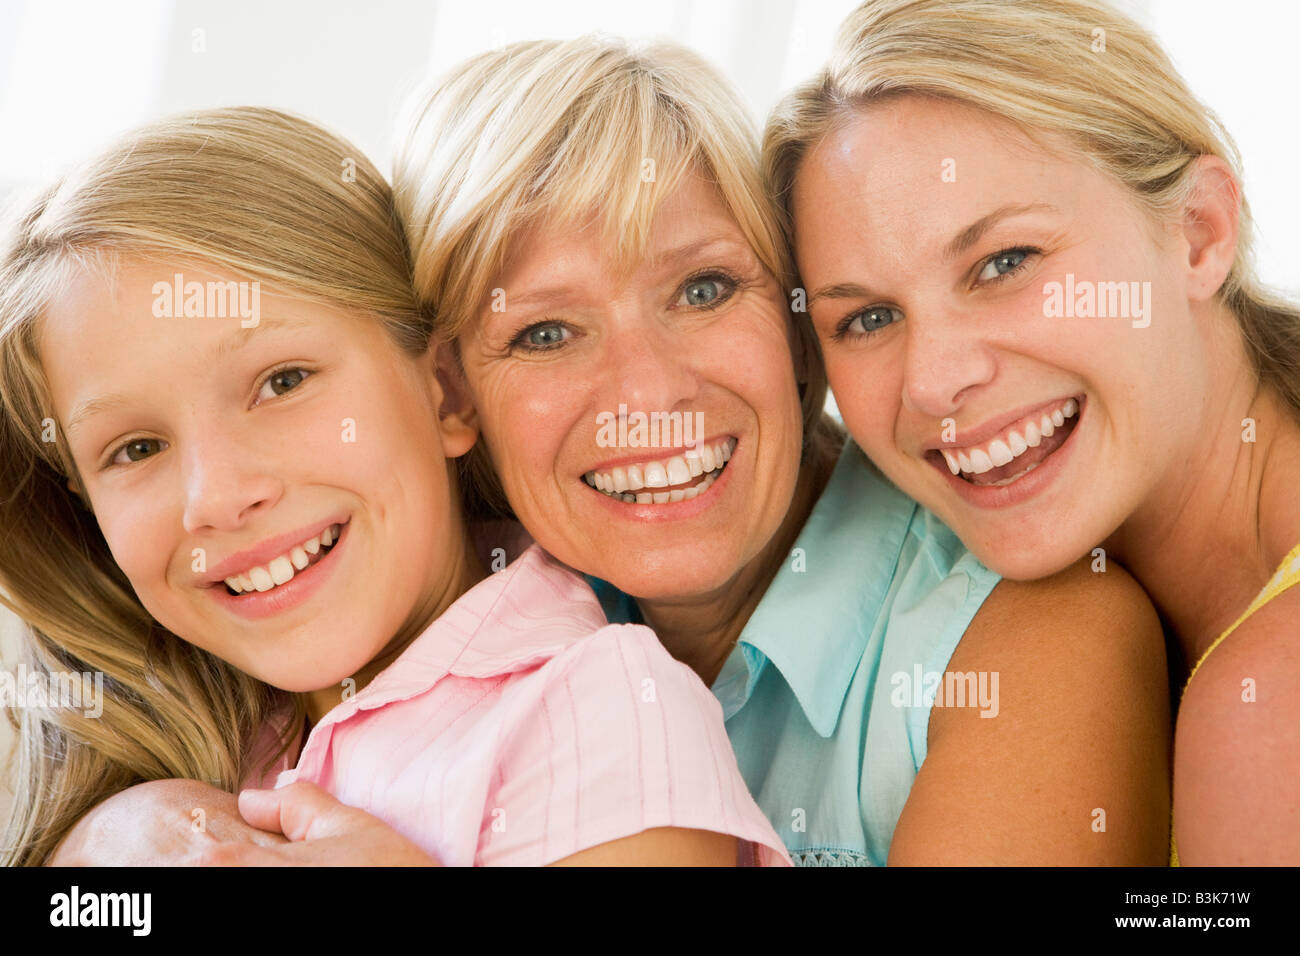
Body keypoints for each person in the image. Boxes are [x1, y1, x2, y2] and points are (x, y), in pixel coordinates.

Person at [47, 37, 1170, 867]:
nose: (644, 395)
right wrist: (119, 833)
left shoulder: (1028, 630)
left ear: (796, 321)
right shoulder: (407, 599)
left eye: (703, 286)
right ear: (453, 392)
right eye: (543, 331)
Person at [0, 106, 790, 867]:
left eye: (283, 381)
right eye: (136, 447)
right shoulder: (165, 741)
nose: (215, 495)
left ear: (445, 388)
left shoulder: (601, 709)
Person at [768, 0, 1300, 864]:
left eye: (1004, 264)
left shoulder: (1272, 702)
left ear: (1199, 232)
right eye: (867, 318)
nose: (936, 380)